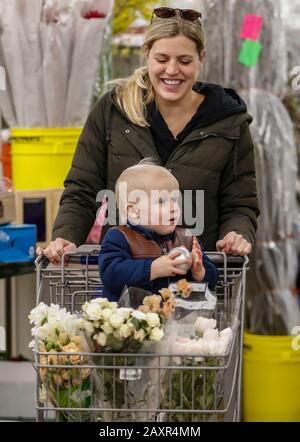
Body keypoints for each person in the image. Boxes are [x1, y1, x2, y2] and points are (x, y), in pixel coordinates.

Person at [38, 7, 259, 264]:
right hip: (125, 275)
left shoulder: (229, 122)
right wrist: (66, 235)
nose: (172, 70)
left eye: (185, 61)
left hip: (199, 277)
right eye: (162, 59)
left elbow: (240, 203)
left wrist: (237, 234)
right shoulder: (113, 110)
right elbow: (83, 190)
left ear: (201, 58)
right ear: (147, 55)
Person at [99, 161, 219, 301]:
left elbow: (213, 279)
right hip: (132, 318)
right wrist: (152, 269)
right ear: (133, 211)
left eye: (174, 200)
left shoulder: (187, 239)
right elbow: (111, 275)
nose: (174, 207)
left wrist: (200, 271)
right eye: (162, 202)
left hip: (177, 318)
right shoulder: (119, 237)